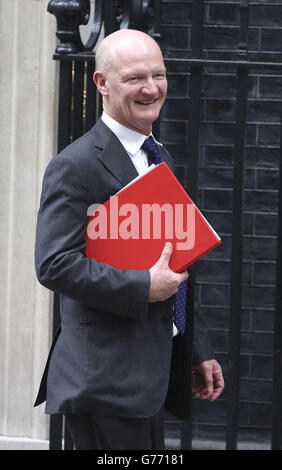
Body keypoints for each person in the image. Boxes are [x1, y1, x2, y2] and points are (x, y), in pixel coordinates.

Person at [34, 29, 224, 450]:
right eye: (135, 77)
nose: (152, 88)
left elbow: (173, 260)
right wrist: (143, 287)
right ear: (102, 83)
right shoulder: (76, 165)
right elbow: (54, 263)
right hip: (104, 381)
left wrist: (196, 346)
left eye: (159, 75)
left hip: (147, 378)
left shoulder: (157, 155)